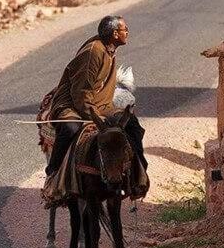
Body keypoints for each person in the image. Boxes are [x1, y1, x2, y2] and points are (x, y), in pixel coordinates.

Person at [45, 15, 147, 176]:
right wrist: (96, 118)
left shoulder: (109, 48)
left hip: (99, 104)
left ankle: (138, 172)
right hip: (73, 105)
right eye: (125, 29)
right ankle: (54, 172)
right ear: (115, 34)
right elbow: (81, 93)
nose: (127, 32)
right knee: (70, 128)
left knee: (132, 125)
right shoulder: (93, 52)